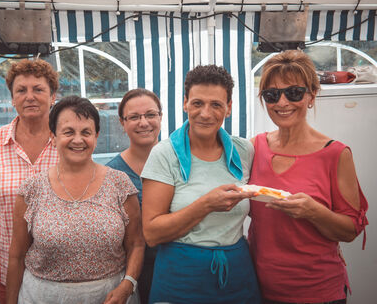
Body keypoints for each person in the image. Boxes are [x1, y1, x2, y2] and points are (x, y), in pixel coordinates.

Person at [248, 50, 369, 304]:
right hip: (258, 289)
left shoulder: (335, 154)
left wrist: (313, 211)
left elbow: (350, 231)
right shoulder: (254, 148)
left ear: (311, 96)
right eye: (272, 95)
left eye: (294, 93)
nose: (282, 103)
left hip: (317, 292)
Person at [6, 96, 145, 304]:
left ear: (96, 136)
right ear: (53, 137)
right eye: (68, 132)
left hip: (110, 296)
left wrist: (128, 284)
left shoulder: (120, 183)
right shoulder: (32, 189)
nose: (78, 140)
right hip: (43, 297)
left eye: (86, 132)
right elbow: (16, 256)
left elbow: (136, 243)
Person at [141, 65, 261, 303]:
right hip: (180, 276)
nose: (205, 113)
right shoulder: (165, 154)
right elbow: (152, 234)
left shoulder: (243, 150)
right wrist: (206, 204)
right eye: (197, 103)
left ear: (229, 108)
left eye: (216, 104)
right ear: (185, 103)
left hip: (237, 273)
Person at [0, 59, 59, 303]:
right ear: (12, 99)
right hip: (1, 261)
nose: (29, 96)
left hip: (54, 267)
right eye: (21, 90)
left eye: (38, 89)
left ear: (53, 96)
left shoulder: (67, 142)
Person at [107, 88, 162, 304]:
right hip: (132, 273)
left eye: (150, 115)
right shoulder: (113, 174)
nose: (144, 123)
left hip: (176, 267)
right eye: (134, 117)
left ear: (160, 117)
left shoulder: (179, 161)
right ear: (122, 123)